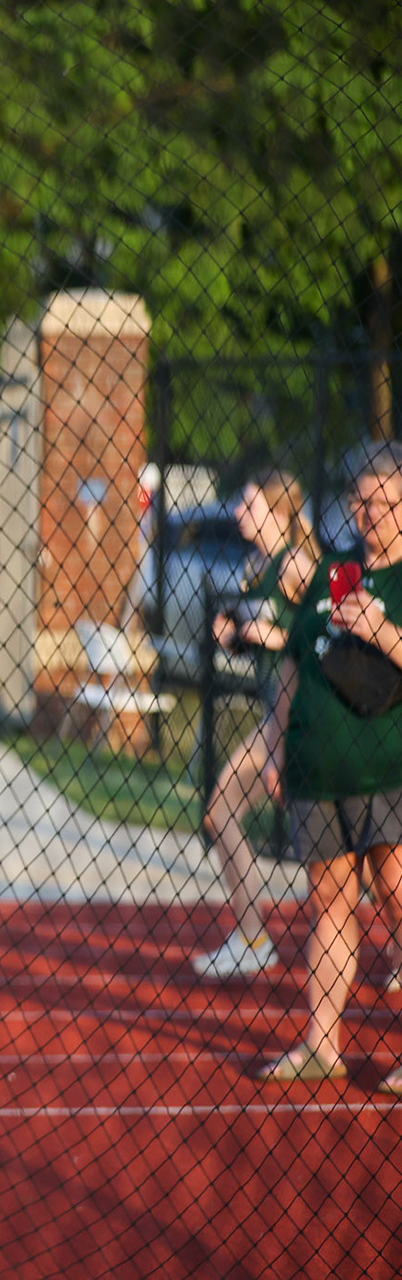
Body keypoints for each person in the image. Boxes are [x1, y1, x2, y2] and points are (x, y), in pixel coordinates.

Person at [256, 443, 402, 1092]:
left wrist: (380, 629)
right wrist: (275, 745)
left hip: (387, 771)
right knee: (331, 904)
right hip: (318, 770)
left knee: (397, 898)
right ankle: (322, 1045)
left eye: (385, 502)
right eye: (362, 501)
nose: (372, 514)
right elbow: (294, 663)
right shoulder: (331, 571)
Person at [192, 472, 318, 978]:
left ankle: (254, 938)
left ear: (279, 512)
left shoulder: (295, 564)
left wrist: (275, 635)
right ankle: (253, 937)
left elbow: (325, 628)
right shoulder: (256, 566)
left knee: (365, 852)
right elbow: (261, 636)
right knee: (220, 813)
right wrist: (237, 635)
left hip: (307, 713)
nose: (238, 514)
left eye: (249, 506)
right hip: (276, 714)